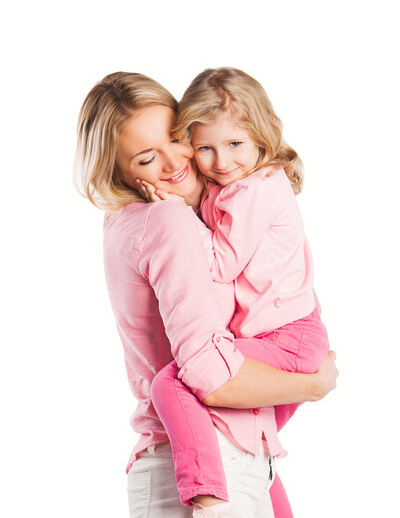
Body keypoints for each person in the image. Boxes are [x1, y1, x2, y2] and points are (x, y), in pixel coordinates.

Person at [74, 71, 338, 518]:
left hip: (236, 451)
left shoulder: (141, 221)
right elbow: (210, 376)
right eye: (144, 159)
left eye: (175, 137)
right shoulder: (170, 221)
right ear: (117, 171)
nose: (175, 162)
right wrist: (314, 386)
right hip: (209, 455)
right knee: (171, 383)